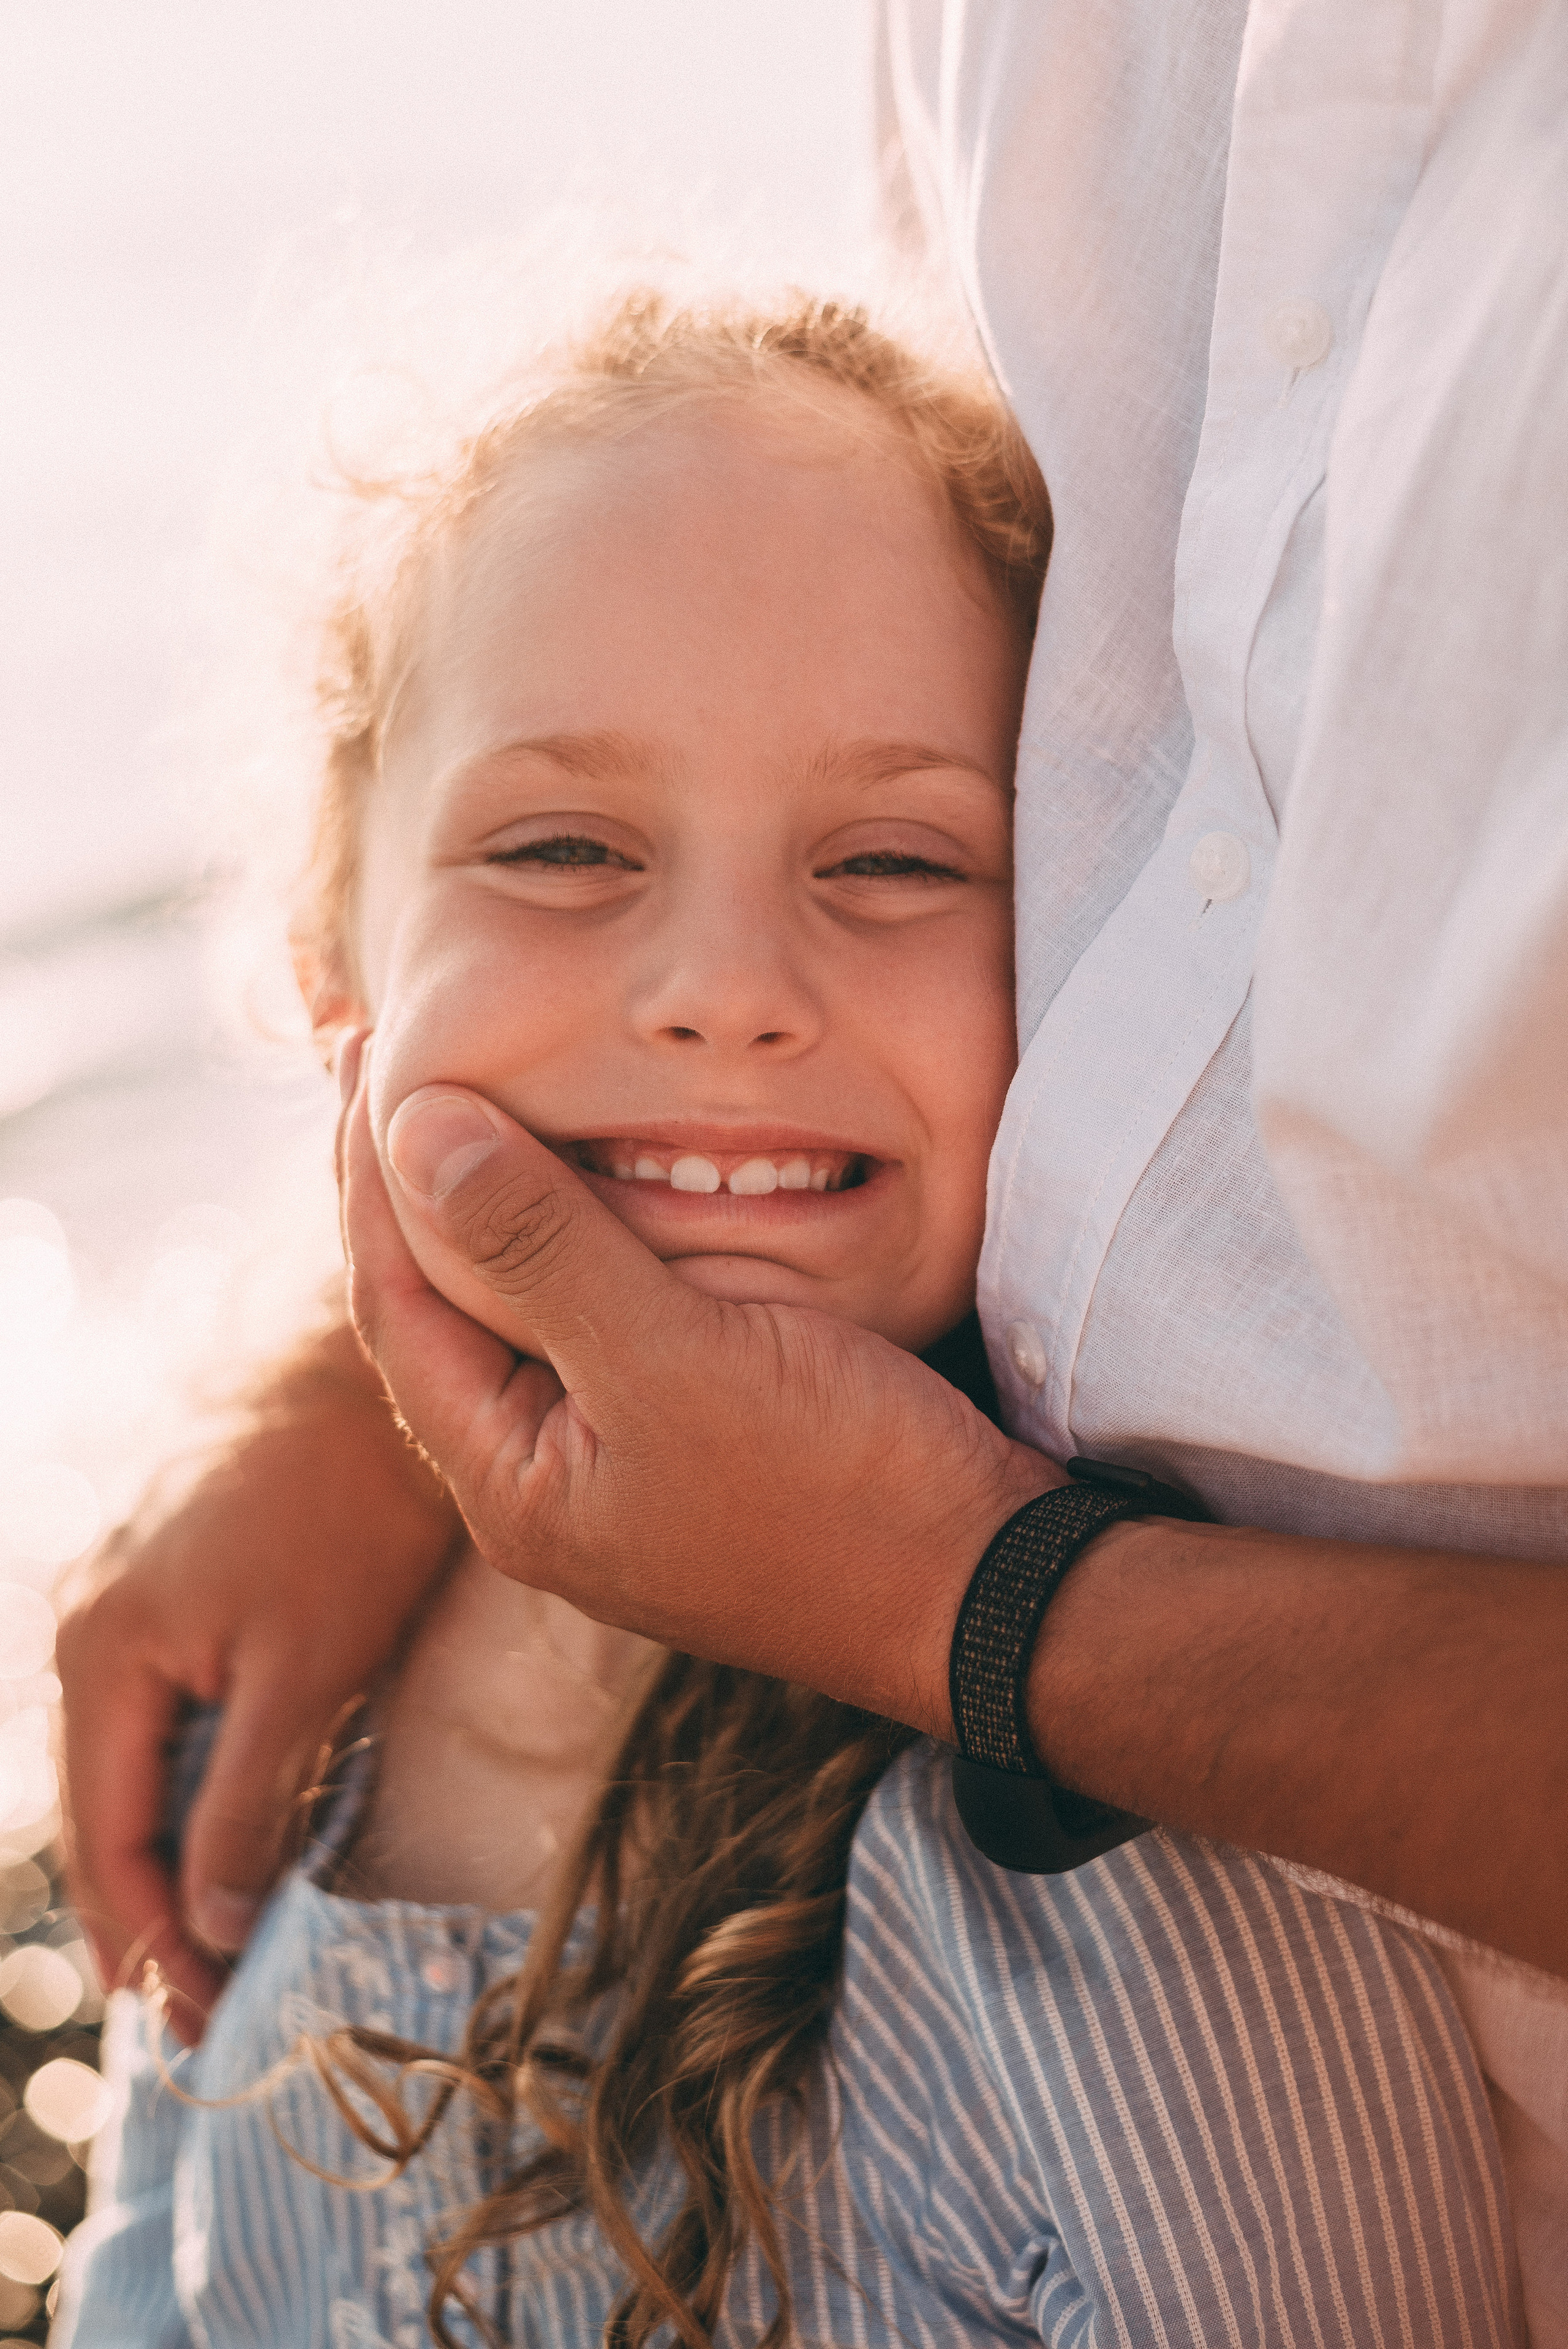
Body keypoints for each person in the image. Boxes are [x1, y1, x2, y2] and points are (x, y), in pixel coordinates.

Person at [58, 0, 1568, 2337]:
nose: (726, 991)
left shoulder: (1136, 1923)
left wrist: (983, 1609)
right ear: (317, 950)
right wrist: (351, 1383)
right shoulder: (306, 1705)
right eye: (564, 845)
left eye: (890, 859)